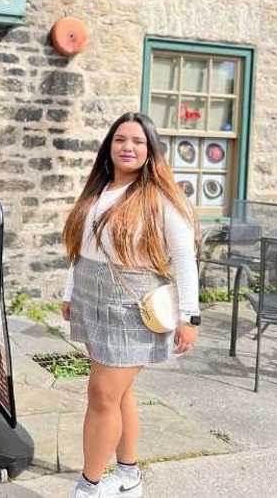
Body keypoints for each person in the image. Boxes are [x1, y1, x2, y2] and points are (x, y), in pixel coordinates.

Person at [60, 112, 201, 498]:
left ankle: (88, 485)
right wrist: (70, 292)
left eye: (137, 141)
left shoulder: (161, 199)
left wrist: (190, 316)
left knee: (102, 394)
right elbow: (81, 248)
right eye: (120, 139)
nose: (128, 147)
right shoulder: (98, 190)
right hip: (91, 297)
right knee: (119, 394)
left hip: (132, 306)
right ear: (109, 146)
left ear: (150, 150)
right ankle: (129, 475)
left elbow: (185, 258)